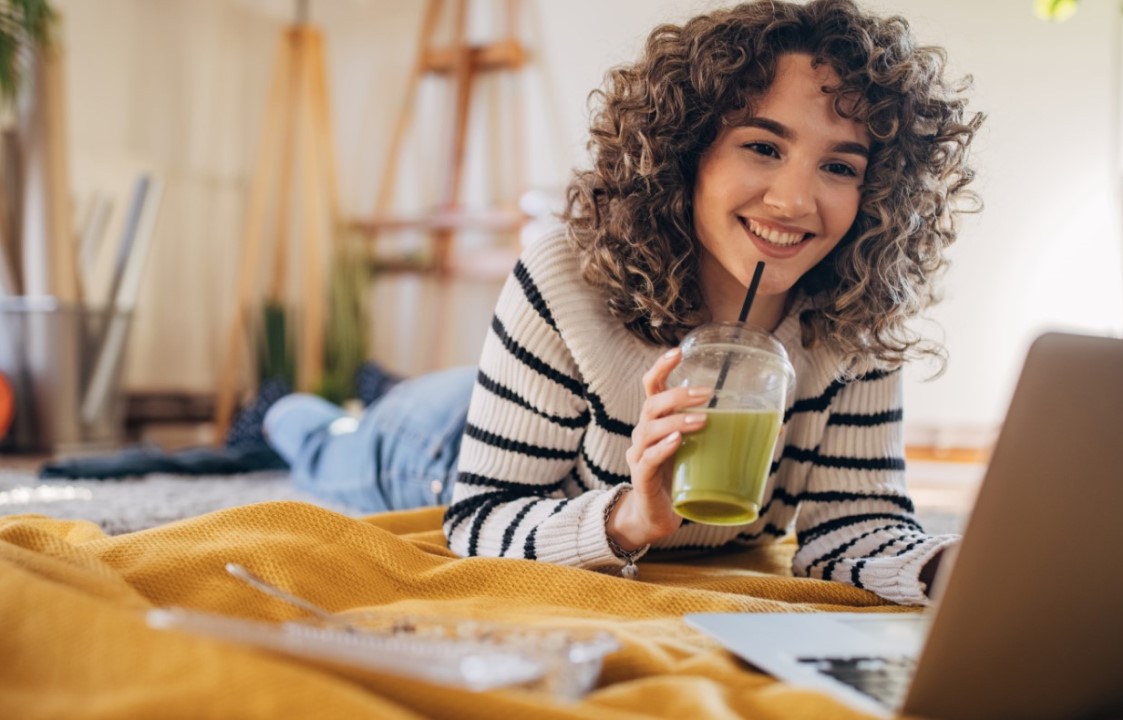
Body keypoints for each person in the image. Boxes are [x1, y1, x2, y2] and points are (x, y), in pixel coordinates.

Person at [266, 0, 982, 606]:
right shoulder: (565, 274)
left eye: (838, 166)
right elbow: (479, 519)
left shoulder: (855, 317)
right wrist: (628, 518)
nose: (794, 201)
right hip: (434, 447)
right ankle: (294, 409)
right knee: (323, 438)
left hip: (523, 421)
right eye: (763, 147)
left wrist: (947, 569)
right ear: (687, 150)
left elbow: (854, 526)